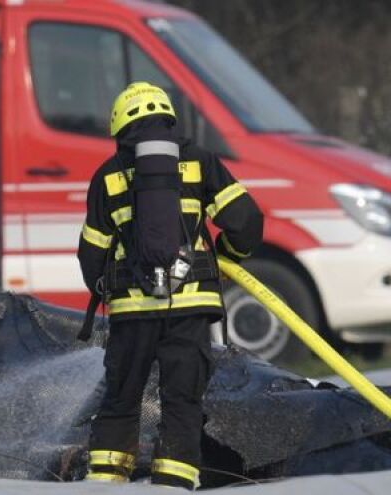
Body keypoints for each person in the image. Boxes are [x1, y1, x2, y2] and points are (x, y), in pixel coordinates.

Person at [77, 82, 263, 490]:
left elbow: (91, 255)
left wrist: (108, 288)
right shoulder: (199, 161)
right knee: (182, 403)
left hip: (132, 312)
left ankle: (104, 483)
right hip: (191, 307)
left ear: (119, 124)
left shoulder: (107, 176)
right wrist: (227, 255)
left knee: (121, 402)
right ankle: (173, 484)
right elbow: (247, 221)